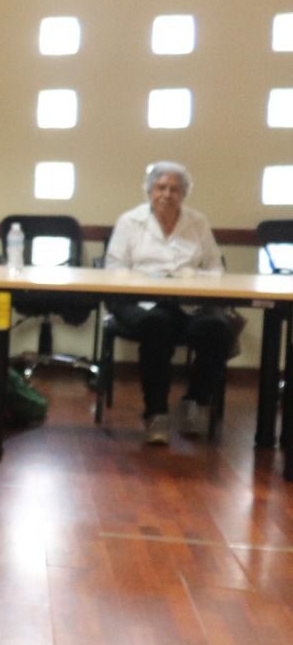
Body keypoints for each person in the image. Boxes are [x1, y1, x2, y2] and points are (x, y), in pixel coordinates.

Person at [103, 161, 231, 445]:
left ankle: (193, 402)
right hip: (140, 303)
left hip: (188, 304)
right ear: (149, 191)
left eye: (175, 189)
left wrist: (190, 277)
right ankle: (156, 413)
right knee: (156, 325)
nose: (167, 194)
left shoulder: (197, 222)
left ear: (184, 194)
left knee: (218, 328)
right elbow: (114, 268)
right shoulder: (130, 221)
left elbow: (215, 269)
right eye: (161, 187)